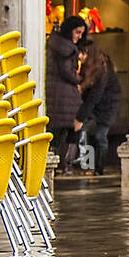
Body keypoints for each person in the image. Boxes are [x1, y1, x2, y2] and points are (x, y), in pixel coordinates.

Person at [46, 14, 86, 174]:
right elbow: (68, 72)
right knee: (73, 130)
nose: (79, 36)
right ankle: (66, 165)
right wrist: (81, 77)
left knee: (57, 131)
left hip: (56, 96)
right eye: (77, 32)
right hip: (67, 97)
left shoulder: (54, 45)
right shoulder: (68, 50)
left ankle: (58, 163)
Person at [76, 39, 121, 176]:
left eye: (83, 53)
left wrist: (80, 117)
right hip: (96, 104)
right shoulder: (87, 67)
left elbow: (94, 96)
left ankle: (98, 169)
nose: (80, 57)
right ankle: (86, 165)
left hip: (107, 104)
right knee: (83, 132)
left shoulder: (102, 68)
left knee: (100, 135)